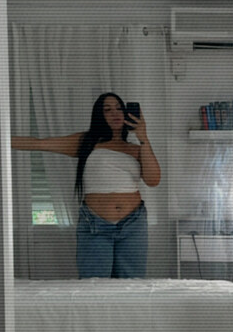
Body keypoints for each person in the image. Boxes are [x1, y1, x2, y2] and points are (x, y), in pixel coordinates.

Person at [12, 92, 161, 279]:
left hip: (133, 224)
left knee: (132, 285)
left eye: (119, 109)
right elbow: (39, 144)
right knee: (93, 285)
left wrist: (143, 137)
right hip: (95, 224)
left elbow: (153, 180)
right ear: (99, 115)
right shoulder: (86, 142)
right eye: (107, 110)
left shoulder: (137, 149)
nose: (115, 113)